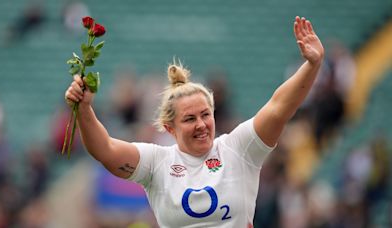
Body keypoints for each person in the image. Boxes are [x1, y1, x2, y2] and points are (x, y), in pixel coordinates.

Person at [64, 16, 324, 227]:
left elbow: (278, 108)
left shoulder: (237, 148)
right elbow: (105, 150)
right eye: (189, 118)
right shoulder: (157, 162)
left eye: (205, 115)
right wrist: (85, 108)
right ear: (169, 128)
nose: (201, 124)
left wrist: (312, 66)